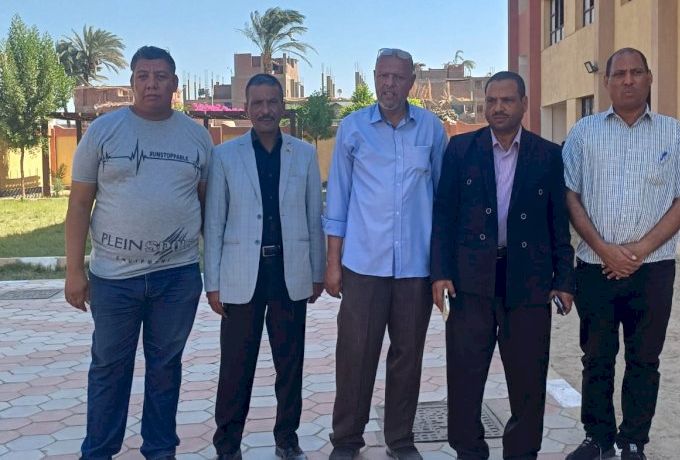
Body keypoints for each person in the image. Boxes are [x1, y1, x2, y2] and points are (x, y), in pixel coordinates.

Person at [64, 46, 214, 460]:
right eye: (143, 76)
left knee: (166, 369)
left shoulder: (196, 137)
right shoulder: (103, 131)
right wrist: (74, 271)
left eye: (161, 76)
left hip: (177, 277)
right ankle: (98, 452)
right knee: (109, 369)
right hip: (114, 279)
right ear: (132, 82)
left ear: (175, 84)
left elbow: (209, 208)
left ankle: (160, 451)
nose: (152, 84)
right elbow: (79, 205)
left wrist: (215, 273)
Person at [562, 48, 680, 460]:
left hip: (653, 269)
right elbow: (570, 195)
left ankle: (632, 441)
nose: (628, 80)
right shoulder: (584, 133)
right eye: (620, 73)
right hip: (595, 268)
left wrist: (638, 251)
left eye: (636, 72)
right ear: (606, 81)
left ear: (649, 78)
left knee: (644, 359)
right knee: (597, 358)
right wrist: (603, 250)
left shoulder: (673, 133)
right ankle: (597, 438)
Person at [431, 71, 575, 460]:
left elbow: (558, 222)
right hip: (469, 283)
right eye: (491, 100)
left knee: (528, 381)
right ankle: (469, 451)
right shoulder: (461, 149)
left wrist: (564, 279)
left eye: (507, 100)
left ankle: (522, 452)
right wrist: (440, 273)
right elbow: (443, 215)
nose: (498, 107)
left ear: (524, 104)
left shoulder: (547, 155)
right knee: (465, 379)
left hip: (528, 283)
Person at [323, 47, 447, 460]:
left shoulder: (431, 130)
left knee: (407, 358)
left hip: (415, 269)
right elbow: (338, 200)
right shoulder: (353, 128)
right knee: (355, 355)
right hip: (363, 266)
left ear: (412, 82)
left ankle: (400, 440)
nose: (389, 84)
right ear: (375, 78)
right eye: (383, 76)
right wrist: (333, 264)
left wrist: (441, 268)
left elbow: (443, 201)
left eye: (398, 77)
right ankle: (347, 440)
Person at [204, 73, 325, 460]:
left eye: (272, 102)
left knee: (290, 364)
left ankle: (287, 438)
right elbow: (214, 222)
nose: (265, 110)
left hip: (289, 274)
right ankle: (227, 444)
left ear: (283, 106)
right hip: (242, 275)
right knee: (236, 366)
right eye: (257, 103)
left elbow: (314, 217)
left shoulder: (303, 155)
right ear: (246, 108)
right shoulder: (225, 155)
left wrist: (318, 272)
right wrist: (213, 282)